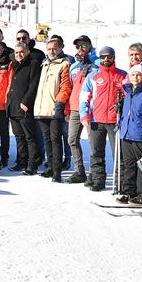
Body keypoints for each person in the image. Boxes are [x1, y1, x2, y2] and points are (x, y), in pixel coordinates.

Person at [79, 46, 126, 192]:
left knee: (118, 154)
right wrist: (84, 114)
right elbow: (84, 97)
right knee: (96, 153)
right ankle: (98, 180)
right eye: (104, 57)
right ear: (100, 58)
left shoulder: (123, 76)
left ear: (114, 57)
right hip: (95, 120)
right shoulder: (93, 76)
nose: (107, 59)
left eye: (109, 56)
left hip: (114, 121)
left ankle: (120, 183)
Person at [116, 65, 142, 204]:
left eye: (138, 75)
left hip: (140, 135)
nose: (135, 77)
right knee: (129, 165)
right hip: (126, 135)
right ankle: (128, 192)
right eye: (133, 74)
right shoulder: (128, 93)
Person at [33, 38, 71, 182]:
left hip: (55, 108)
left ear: (61, 48)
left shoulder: (64, 64)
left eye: (55, 48)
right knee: (47, 139)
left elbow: (65, 86)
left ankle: (57, 170)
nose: (52, 51)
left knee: (56, 139)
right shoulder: (44, 64)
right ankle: (50, 166)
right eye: (49, 49)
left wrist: (60, 103)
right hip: (42, 108)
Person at [65, 35, 97, 185]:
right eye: (78, 46)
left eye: (83, 45)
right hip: (75, 109)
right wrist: (67, 108)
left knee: (93, 143)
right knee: (72, 140)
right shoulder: (74, 65)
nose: (80, 49)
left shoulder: (97, 63)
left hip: (92, 110)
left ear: (90, 46)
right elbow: (70, 88)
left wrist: (90, 61)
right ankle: (79, 171)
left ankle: (94, 173)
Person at [6, 42, 41, 173]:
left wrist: (26, 101)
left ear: (27, 52)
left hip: (25, 106)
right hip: (13, 105)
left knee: (30, 137)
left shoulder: (33, 64)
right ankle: (22, 161)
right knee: (19, 136)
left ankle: (33, 164)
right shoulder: (14, 65)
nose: (19, 55)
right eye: (16, 52)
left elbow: (34, 85)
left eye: (21, 52)